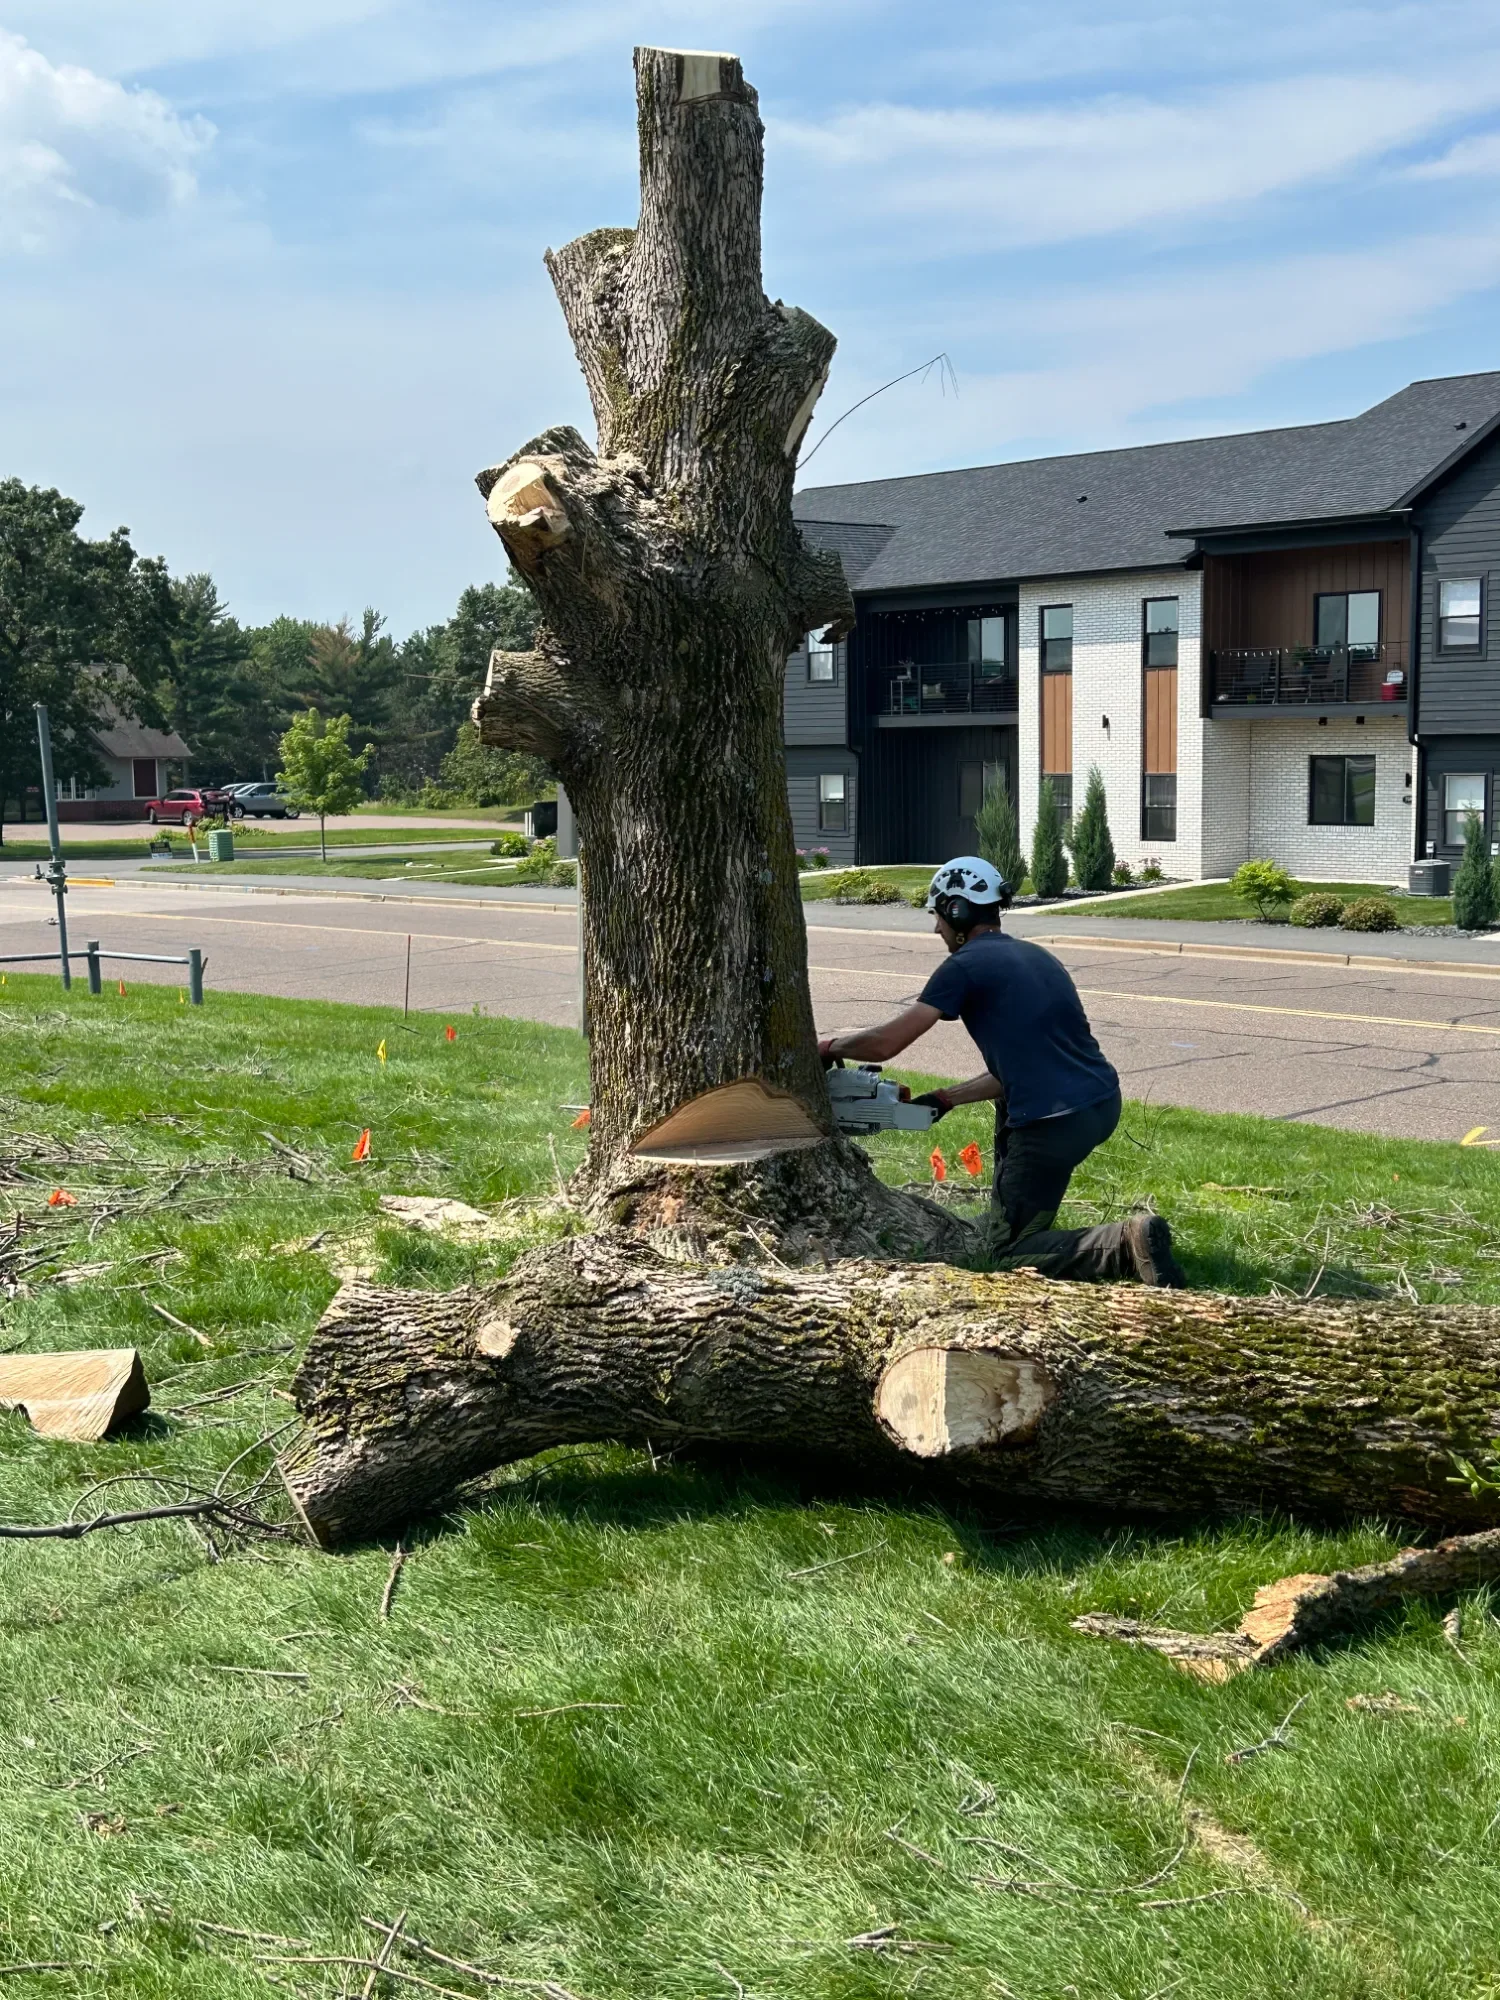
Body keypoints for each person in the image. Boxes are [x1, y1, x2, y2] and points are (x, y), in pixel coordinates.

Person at [817, 855, 1185, 1286]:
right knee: (1018, 1214)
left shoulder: (964, 965)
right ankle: (1028, 1222)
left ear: (956, 910)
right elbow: (1024, 1066)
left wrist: (827, 1047)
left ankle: (1124, 1242)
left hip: (1050, 1124)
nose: (936, 929)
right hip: (1100, 1105)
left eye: (937, 916)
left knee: (1005, 1253)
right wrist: (945, 1098)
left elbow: (887, 1043)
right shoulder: (1036, 956)